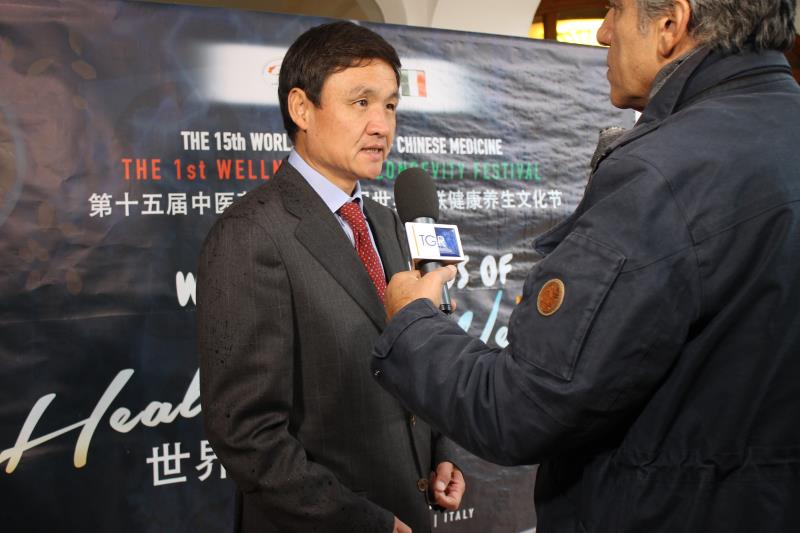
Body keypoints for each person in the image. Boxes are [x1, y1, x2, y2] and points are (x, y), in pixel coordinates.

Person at [371, 1, 800, 531]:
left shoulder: (661, 176)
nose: (602, 33)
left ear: (671, 24)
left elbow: (520, 408)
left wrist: (413, 323)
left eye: (615, 8)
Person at [197, 21, 463, 533]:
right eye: (361, 102)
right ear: (302, 109)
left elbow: (412, 358)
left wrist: (442, 452)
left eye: (390, 105)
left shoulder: (388, 224)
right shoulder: (250, 234)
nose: (382, 125)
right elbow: (247, 437)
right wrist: (366, 523)